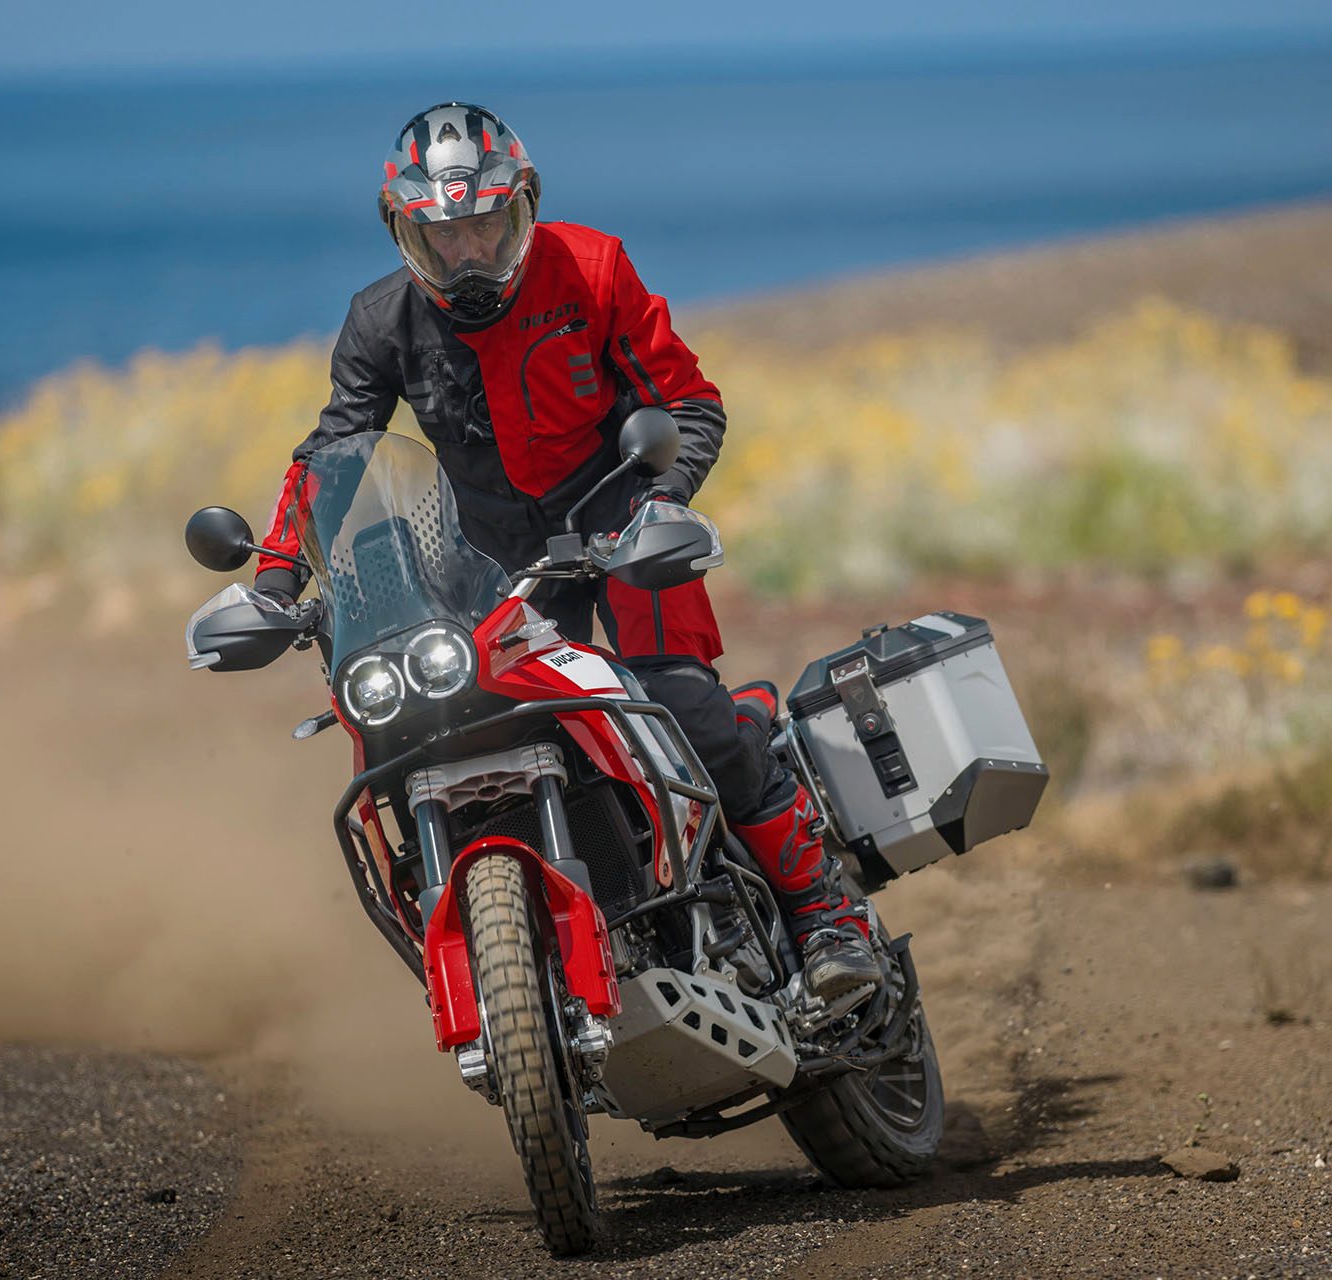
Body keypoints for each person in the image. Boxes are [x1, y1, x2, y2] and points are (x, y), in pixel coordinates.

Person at [254, 102, 878, 999]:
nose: (467, 254)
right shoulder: (379, 323)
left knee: (683, 706)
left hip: (618, 521)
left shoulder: (592, 268)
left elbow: (690, 402)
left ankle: (826, 919)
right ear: (403, 236)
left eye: (484, 226)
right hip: (486, 567)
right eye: (442, 237)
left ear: (524, 207)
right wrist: (277, 580)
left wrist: (659, 500)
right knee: (433, 729)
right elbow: (332, 455)